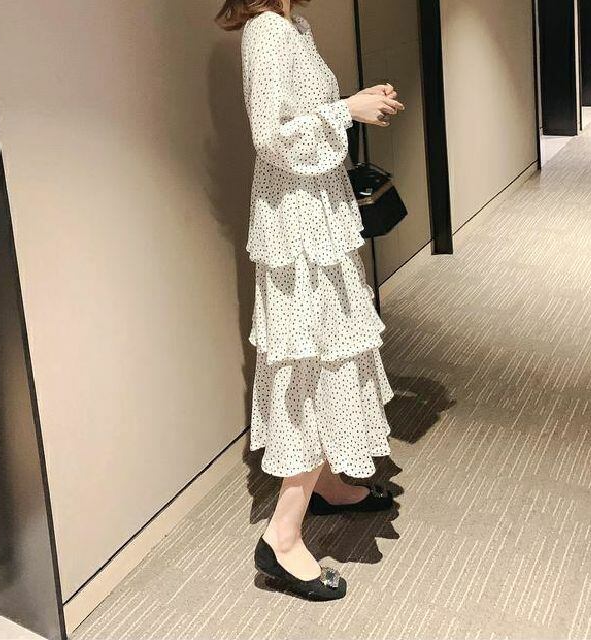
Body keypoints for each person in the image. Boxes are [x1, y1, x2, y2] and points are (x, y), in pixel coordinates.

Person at [215, 0, 404, 601]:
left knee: (330, 352)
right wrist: (348, 110)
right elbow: (271, 136)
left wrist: (354, 103)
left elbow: (299, 112)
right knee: (311, 365)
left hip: (316, 214)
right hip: (297, 226)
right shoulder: (268, 31)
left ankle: (325, 485)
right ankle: (282, 536)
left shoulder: (294, 25)